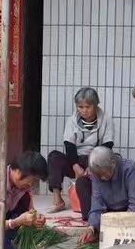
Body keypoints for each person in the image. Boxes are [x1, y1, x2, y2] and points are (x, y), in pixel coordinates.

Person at [46, 86, 113, 218]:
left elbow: (107, 145)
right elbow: (69, 145)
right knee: (54, 157)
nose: (84, 110)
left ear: (95, 105)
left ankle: (104, 201)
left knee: (115, 159)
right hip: (76, 159)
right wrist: (75, 165)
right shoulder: (72, 120)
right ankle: (57, 200)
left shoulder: (105, 119)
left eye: (88, 107)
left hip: (95, 159)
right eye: (80, 107)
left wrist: (93, 166)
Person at [79, 146, 135, 244]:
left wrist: (122, 228)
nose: (102, 178)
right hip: (110, 212)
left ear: (113, 163)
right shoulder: (97, 175)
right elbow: (97, 204)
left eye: (104, 173)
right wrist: (91, 227)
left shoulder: (130, 169)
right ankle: (95, 231)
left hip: (129, 211)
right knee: (81, 183)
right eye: (98, 175)